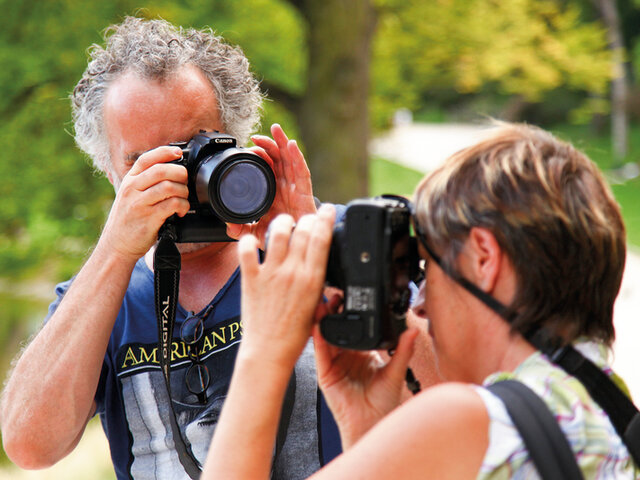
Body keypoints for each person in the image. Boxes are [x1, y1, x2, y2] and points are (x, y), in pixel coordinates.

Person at [0, 16, 341, 479]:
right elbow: (29, 446)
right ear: (109, 171)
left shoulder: (323, 241)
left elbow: (433, 392)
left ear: (237, 141)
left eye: (192, 149)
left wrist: (317, 260)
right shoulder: (102, 293)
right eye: (146, 162)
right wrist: (115, 252)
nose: (175, 180)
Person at [200, 122, 639, 478]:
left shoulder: (469, 421)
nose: (421, 304)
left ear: (484, 258)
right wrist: (367, 432)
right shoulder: (604, 407)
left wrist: (264, 351)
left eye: (428, 269)